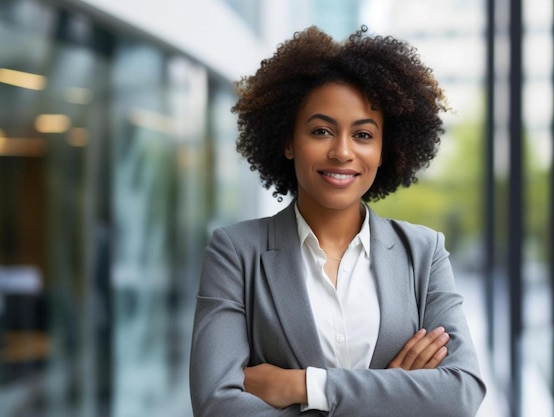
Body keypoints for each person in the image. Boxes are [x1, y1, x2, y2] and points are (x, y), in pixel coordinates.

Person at [190, 25, 486, 416]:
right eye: (321, 131)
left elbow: (461, 394)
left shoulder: (424, 252)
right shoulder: (236, 253)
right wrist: (394, 394)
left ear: (385, 150)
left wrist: (303, 385)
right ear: (288, 141)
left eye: (363, 134)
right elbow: (217, 406)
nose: (343, 151)